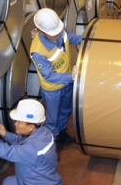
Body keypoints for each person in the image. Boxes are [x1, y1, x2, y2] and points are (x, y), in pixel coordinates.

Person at [29, 8, 82, 143]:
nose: (57, 34)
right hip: (52, 89)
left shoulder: (58, 31)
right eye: (53, 33)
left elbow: (70, 37)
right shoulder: (37, 51)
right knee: (52, 117)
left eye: (58, 30)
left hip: (67, 83)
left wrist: (86, 40)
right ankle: (52, 141)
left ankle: (62, 132)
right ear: (41, 31)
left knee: (66, 109)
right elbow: (49, 76)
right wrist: (71, 77)